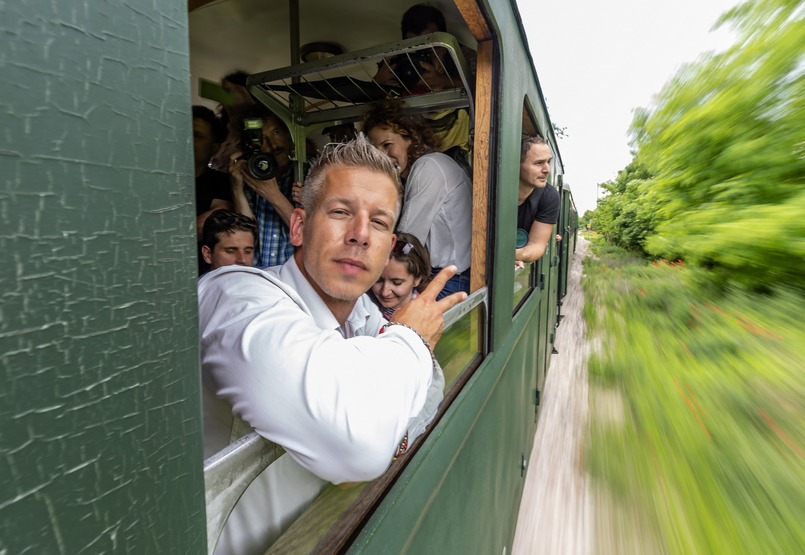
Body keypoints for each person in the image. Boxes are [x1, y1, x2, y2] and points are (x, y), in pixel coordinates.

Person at [199, 135, 466, 555]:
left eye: (379, 222)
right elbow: (358, 447)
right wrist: (411, 339)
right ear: (299, 226)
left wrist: (388, 419)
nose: (361, 234)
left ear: (388, 247)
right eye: (342, 212)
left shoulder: (362, 310)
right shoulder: (235, 297)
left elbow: (429, 388)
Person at [363, 101, 473, 299]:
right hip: (451, 276)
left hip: (447, 279)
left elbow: (405, 242)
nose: (381, 155)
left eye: (387, 145)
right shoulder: (424, 169)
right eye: (374, 149)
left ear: (411, 139)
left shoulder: (428, 166)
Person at [228, 105, 303, 268]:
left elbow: (309, 235)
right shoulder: (250, 175)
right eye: (262, 138)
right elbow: (246, 238)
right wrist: (237, 188)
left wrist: (273, 195)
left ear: (288, 134)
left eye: (276, 132)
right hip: (259, 277)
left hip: (295, 280)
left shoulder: (309, 171)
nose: (273, 144)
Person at [193, 105, 234, 273]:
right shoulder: (158, 178)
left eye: (197, 135)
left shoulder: (221, 182)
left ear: (214, 148)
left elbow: (209, 226)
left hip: (202, 279)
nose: (188, 140)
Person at [515, 136, 560, 267]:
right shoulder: (491, 188)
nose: (547, 170)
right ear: (517, 164)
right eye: (539, 163)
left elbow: (537, 245)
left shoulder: (549, 196)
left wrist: (518, 254)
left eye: (548, 162)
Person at [372, 232, 431, 321]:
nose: (385, 292)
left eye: (397, 283)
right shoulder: (366, 303)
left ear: (417, 279)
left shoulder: (425, 319)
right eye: (377, 280)